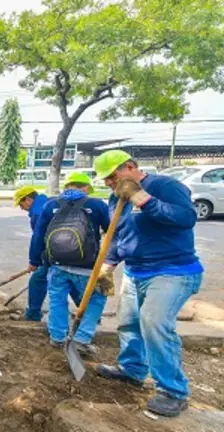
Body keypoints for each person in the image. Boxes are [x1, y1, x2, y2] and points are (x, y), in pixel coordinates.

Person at [92, 150, 203, 418]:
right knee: (128, 322)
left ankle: (173, 391)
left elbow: (186, 218)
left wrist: (143, 199)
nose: (109, 184)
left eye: (112, 177)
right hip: (135, 271)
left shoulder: (165, 186)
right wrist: (108, 266)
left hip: (173, 271)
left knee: (154, 323)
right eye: (105, 180)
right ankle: (132, 370)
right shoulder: (114, 198)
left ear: (129, 167)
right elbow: (117, 235)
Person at [29, 172, 111, 354]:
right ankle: (82, 338)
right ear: (86, 188)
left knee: (57, 300)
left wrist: (34, 260)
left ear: (66, 187)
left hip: (57, 265)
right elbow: (111, 231)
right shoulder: (96, 205)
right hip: (87, 267)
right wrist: (110, 260)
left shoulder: (51, 205)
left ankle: (57, 337)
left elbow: (39, 235)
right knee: (95, 300)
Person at [15, 186, 83, 321]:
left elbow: (39, 238)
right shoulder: (51, 201)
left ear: (28, 199)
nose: (21, 208)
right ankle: (87, 311)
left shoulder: (37, 212)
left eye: (21, 204)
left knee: (38, 280)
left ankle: (33, 314)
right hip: (74, 248)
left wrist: (35, 261)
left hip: (55, 252)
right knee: (69, 278)